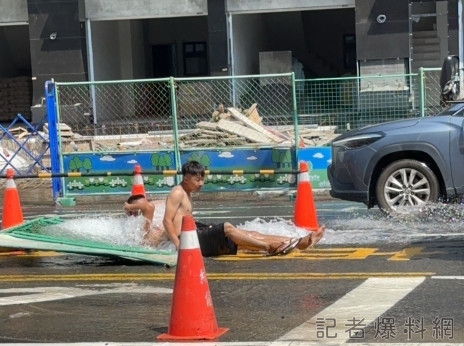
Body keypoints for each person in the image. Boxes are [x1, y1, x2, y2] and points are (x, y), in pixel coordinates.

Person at [125, 161, 325, 257]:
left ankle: (296, 242)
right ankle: (271, 248)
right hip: (188, 239)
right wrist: (179, 245)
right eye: (197, 179)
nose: (201, 183)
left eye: (203, 178)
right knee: (228, 228)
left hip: (193, 232)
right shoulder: (177, 193)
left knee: (244, 233)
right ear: (186, 178)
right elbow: (166, 221)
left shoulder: (185, 193)